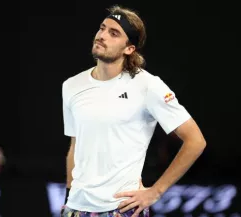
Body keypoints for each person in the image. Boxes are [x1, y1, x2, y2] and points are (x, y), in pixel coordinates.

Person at [61, 5, 206, 217]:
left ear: (129, 49)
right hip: (76, 208)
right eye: (102, 28)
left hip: (122, 209)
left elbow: (195, 141)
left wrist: (155, 192)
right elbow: (75, 146)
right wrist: (68, 198)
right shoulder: (71, 85)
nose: (102, 36)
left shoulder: (148, 85)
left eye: (114, 33)